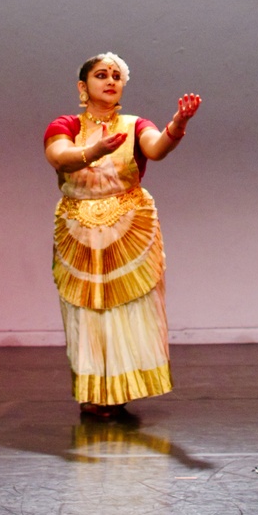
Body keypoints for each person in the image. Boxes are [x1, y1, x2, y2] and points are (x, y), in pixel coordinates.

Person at [43, 53, 200, 420]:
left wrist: (178, 123)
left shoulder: (134, 125)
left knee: (127, 310)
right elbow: (59, 157)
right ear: (83, 86)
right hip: (79, 228)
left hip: (128, 226)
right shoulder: (65, 124)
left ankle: (120, 392)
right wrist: (95, 149)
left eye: (116, 76)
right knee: (85, 312)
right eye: (101, 75)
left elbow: (156, 148)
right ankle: (92, 394)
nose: (110, 81)